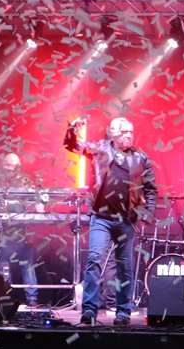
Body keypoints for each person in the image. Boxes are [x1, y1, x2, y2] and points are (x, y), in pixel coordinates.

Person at [65, 116, 157, 326]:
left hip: (126, 220)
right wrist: (72, 128)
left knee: (125, 267)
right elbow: (72, 145)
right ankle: (89, 310)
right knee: (94, 259)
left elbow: (151, 188)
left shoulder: (141, 158)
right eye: (125, 132)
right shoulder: (100, 149)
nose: (129, 136)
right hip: (102, 218)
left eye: (131, 132)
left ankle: (123, 312)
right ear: (114, 133)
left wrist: (148, 212)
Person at [0, 152, 40, 306]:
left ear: (18, 167)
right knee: (3, 265)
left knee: (27, 265)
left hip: (22, 233)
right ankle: (5, 300)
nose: (10, 170)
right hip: (3, 233)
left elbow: (34, 201)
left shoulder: (25, 180)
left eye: (13, 167)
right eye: (7, 166)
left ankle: (32, 301)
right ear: (3, 165)